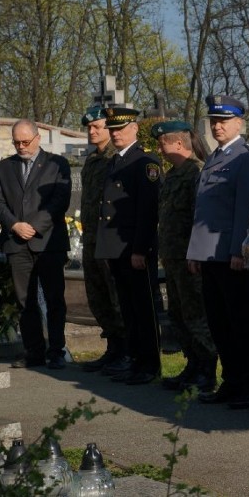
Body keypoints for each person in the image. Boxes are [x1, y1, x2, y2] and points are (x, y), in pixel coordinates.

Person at [187, 95, 249, 410]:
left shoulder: (246, 157)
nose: (217, 126)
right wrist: (196, 251)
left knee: (244, 322)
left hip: (233, 255)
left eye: (223, 120)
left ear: (239, 123)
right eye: (213, 120)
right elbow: (204, 209)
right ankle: (233, 381)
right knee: (221, 323)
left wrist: (241, 250)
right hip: (211, 254)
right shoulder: (214, 157)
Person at [0, 120, 71, 369]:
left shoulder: (57, 164)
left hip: (47, 241)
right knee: (25, 300)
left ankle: (56, 350)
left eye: (25, 142)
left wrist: (35, 225)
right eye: (16, 142)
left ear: (38, 138)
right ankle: (34, 351)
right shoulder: (5, 167)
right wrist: (14, 225)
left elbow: (60, 199)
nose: (21, 146)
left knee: (54, 297)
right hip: (17, 242)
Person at [95, 106, 162, 386]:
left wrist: (140, 249)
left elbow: (147, 210)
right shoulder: (115, 161)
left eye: (121, 129)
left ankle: (149, 364)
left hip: (133, 247)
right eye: (112, 130)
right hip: (117, 247)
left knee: (143, 308)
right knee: (128, 307)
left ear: (134, 128)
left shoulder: (144, 161)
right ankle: (135, 360)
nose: (116, 134)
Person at [152, 120, 218, 393]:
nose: (159, 148)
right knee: (178, 315)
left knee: (196, 316)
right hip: (173, 258)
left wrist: (196, 254)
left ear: (178, 143)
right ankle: (192, 365)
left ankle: (207, 370)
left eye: (162, 142)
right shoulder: (173, 175)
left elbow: (199, 219)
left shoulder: (196, 173)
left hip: (190, 260)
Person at [78, 105, 127, 374]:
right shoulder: (92, 160)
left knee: (116, 294)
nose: (92, 131)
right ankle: (113, 346)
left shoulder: (116, 158)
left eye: (96, 126)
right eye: (89, 127)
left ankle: (126, 350)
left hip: (111, 239)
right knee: (97, 296)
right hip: (91, 239)